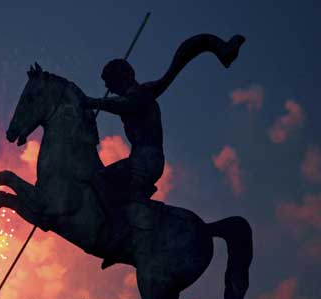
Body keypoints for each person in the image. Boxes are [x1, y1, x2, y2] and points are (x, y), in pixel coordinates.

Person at [85, 33, 245, 267]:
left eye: (110, 81)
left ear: (125, 76)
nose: (109, 87)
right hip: (144, 158)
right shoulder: (142, 92)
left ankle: (120, 232)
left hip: (145, 159)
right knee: (116, 187)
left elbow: (125, 106)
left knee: (101, 180)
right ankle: (128, 227)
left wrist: (94, 102)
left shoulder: (138, 95)